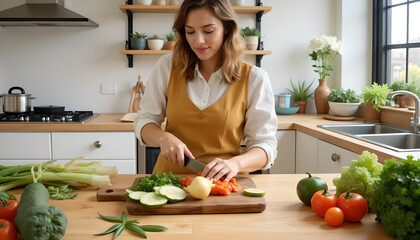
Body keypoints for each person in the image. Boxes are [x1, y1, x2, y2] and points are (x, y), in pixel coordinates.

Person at [134, 0, 277, 182]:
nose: (198, 40)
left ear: (226, 28)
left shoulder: (255, 78)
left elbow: (265, 146)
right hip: (168, 181)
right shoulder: (167, 66)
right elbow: (144, 120)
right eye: (190, 31)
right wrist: (163, 138)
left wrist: (236, 164)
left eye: (208, 31)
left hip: (223, 185)